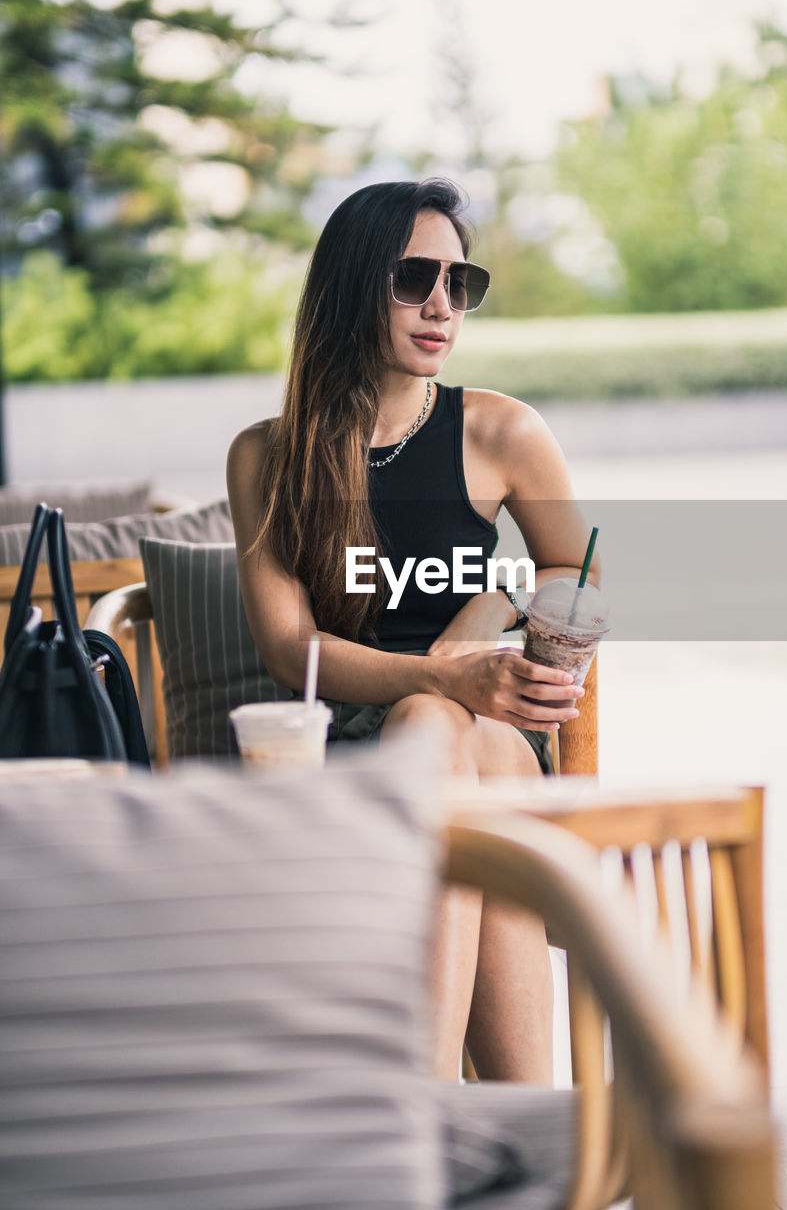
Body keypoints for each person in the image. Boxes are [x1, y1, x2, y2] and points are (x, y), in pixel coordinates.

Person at [227, 178, 600, 1083]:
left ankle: (420, 1115)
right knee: (432, 729)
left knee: (443, 731)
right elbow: (292, 651)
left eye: (458, 283)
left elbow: (575, 571)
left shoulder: (502, 430)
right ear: (353, 286)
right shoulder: (265, 456)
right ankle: (519, 1131)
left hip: (496, 732)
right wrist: (441, 681)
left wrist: (494, 609)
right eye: (412, 279)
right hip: (349, 735)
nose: (441, 305)